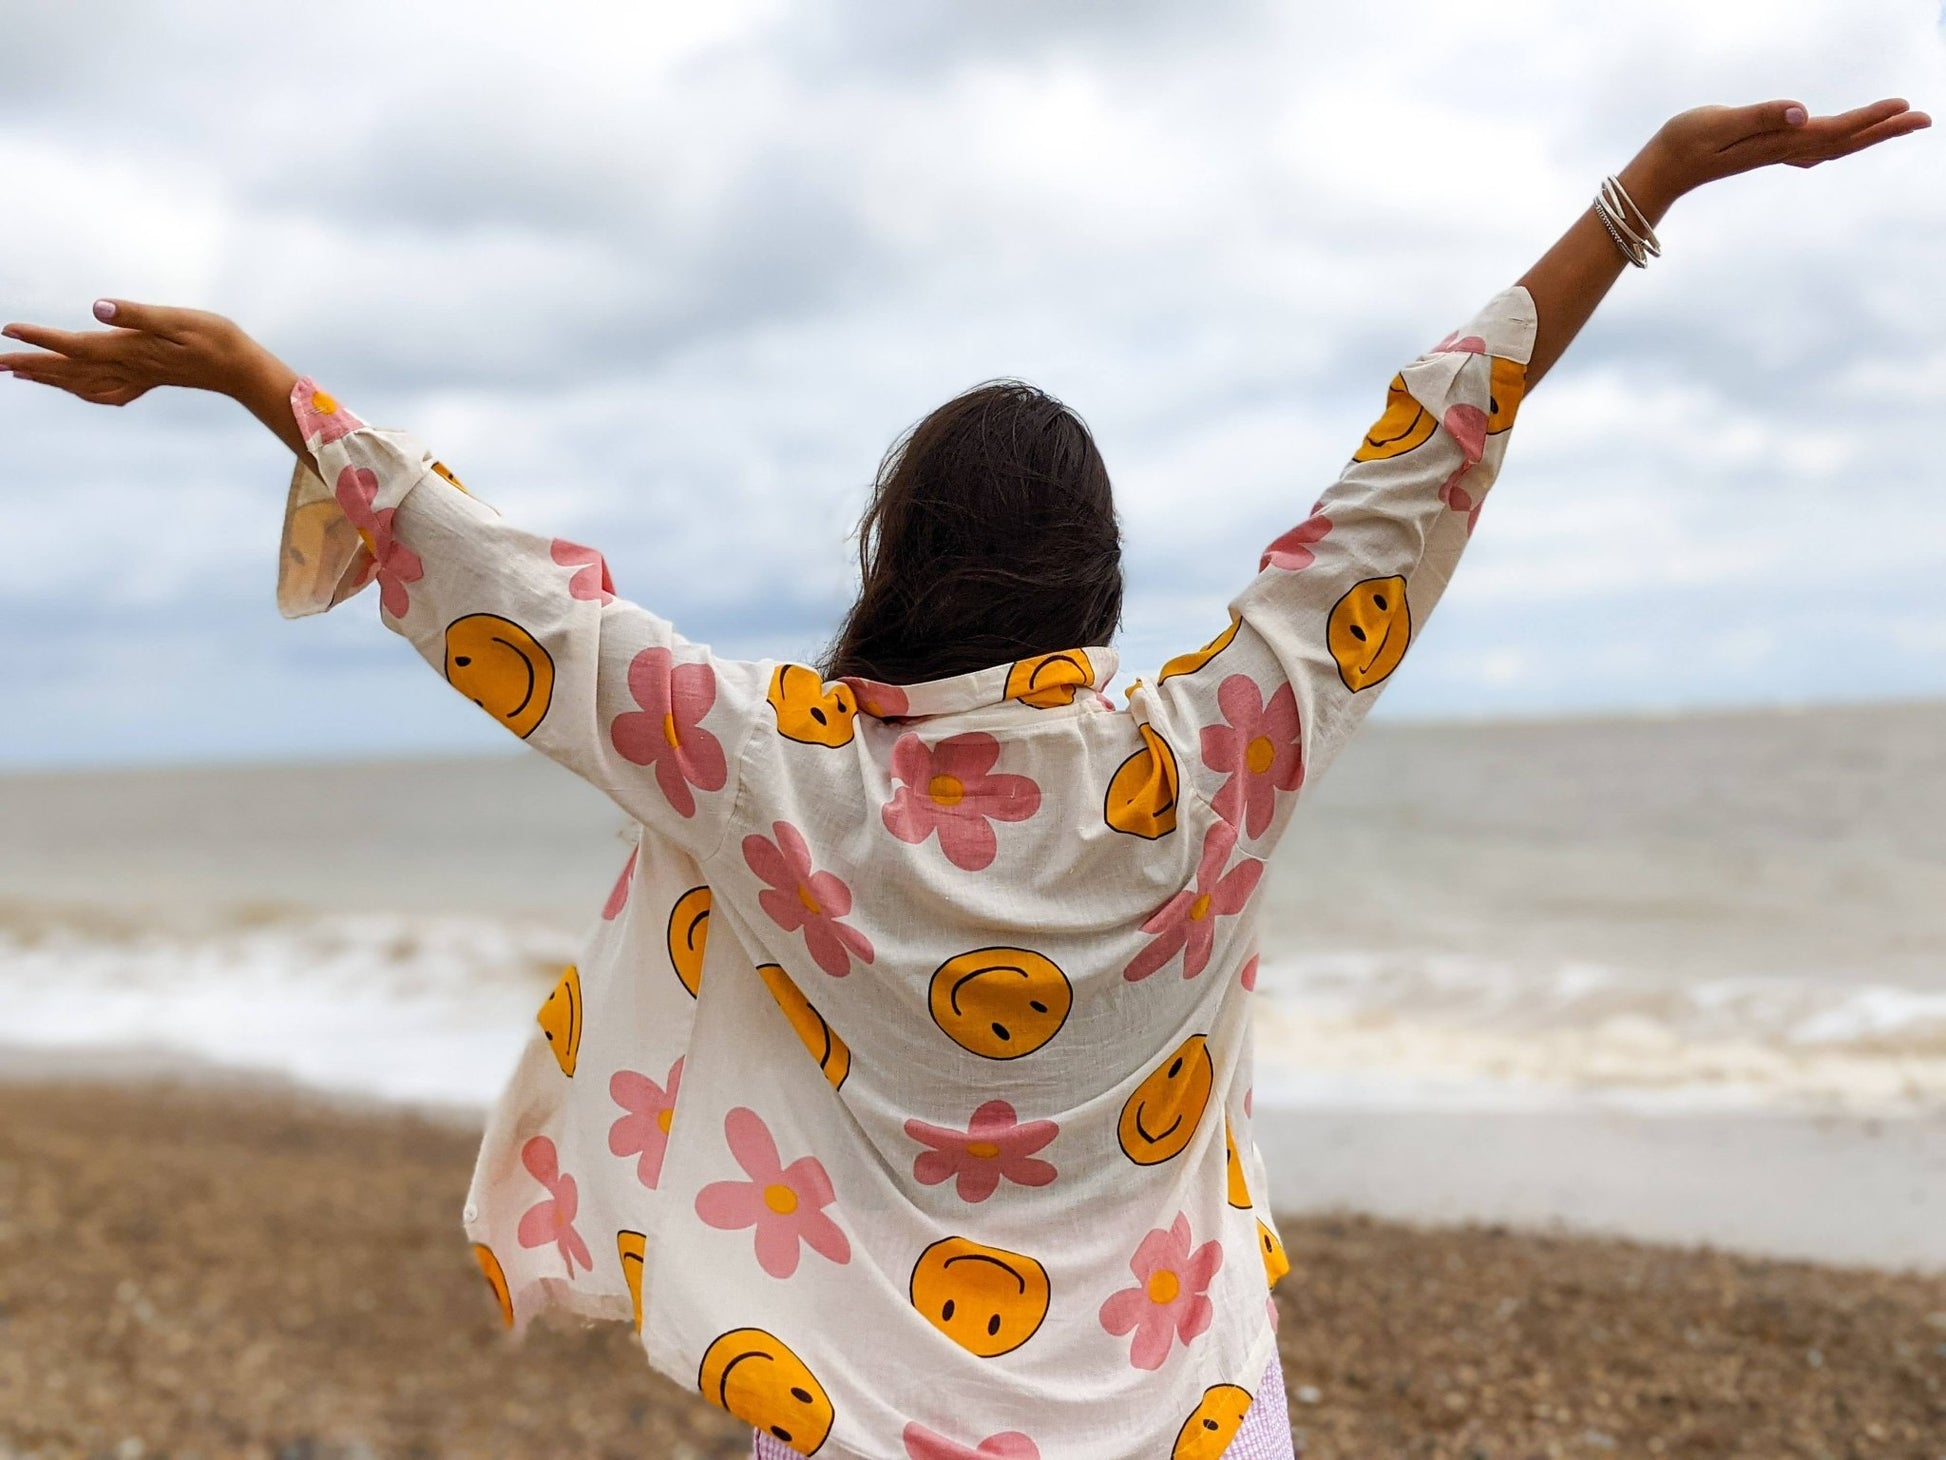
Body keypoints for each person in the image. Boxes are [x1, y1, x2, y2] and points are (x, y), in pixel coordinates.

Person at [1, 95, 1926, 1460]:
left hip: (863, 1422)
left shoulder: (774, 769)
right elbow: (1414, 470)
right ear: (1095, 579)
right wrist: (1641, 189)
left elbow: (523, 599)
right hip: (1184, 1416)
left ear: (892, 559)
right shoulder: (1215, 754)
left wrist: (270, 390)